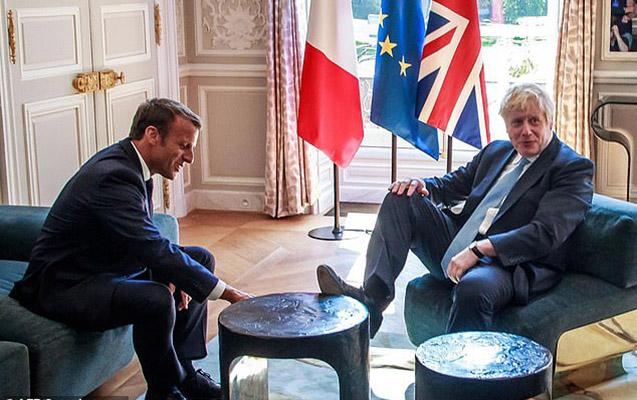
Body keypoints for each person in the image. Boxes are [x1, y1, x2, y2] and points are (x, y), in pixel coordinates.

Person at [10, 98, 250, 400]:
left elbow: (140, 240)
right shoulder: (113, 176)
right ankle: (165, 390)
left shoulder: (131, 165)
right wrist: (229, 293)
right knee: (156, 299)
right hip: (65, 286)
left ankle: (186, 374)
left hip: (105, 269)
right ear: (152, 135)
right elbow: (148, 245)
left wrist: (175, 273)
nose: (189, 157)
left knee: (200, 259)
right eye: (184, 146)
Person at [317, 83, 594, 338]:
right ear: (507, 127)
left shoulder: (571, 168)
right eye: (517, 122)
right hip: (459, 241)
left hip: (507, 263)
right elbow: (453, 185)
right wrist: (421, 185)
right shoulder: (497, 152)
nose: (526, 130)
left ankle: (455, 369)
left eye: (534, 121)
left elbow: (545, 234)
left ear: (549, 122)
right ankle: (372, 301)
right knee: (401, 197)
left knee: (474, 288)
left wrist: (479, 250)